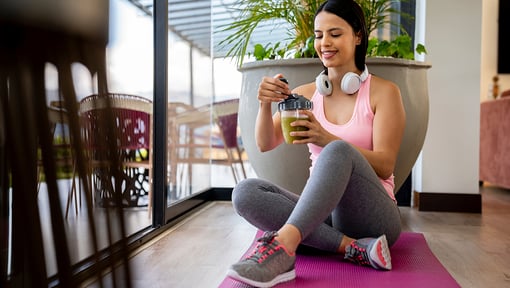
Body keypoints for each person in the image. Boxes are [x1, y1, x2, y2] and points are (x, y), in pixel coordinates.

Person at [226, 0, 405, 287]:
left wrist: (326, 138)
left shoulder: (384, 93)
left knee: (336, 150)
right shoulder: (306, 95)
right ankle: (352, 247)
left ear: (358, 36)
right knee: (245, 193)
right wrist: (264, 105)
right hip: (324, 216)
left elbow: (386, 165)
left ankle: (283, 247)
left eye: (335, 34)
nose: (324, 43)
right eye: (319, 35)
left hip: (375, 217)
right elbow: (264, 142)